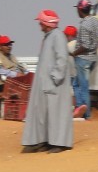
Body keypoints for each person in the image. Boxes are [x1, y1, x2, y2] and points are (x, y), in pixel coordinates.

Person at [21, 9, 75, 153]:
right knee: (42, 114)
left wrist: (55, 78)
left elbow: (62, 59)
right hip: (45, 84)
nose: (39, 25)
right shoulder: (49, 36)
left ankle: (59, 143)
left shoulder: (57, 36)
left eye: (41, 22)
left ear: (46, 23)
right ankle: (43, 141)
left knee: (56, 114)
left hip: (55, 84)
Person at [70, 0, 98, 119]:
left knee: (83, 86)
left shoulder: (84, 25)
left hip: (83, 59)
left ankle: (86, 114)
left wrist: (74, 53)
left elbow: (85, 45)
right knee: (75, 83)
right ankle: (80, 107)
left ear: (80, 10)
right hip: (92, 59)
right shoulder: (95, 20)